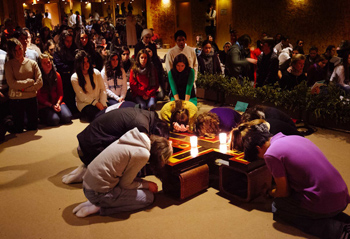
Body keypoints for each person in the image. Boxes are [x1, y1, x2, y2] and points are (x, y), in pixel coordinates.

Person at [239, 120, 350, 239]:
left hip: (322, 200)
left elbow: (283, 192)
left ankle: (339, 231)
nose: (262, 159)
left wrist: (271, 192)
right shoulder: (295, 138)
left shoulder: (271, 154)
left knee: (277, 207)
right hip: (342, 195)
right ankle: (344, 220)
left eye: (258, 157)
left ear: (258, 148)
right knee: (302, 204)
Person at [72, 127, 173, 217]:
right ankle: (100, 207)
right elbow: (125, 184)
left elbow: (125, 175)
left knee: (138, 186)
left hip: (88, 184)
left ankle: (95, 202)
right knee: (148, 198)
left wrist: (144, 183)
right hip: (97, 192)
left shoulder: (139, 138)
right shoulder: (143, 154)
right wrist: (147, 185)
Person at [61, 107, 169, 184]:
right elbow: (137, 158)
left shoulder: (145, 115)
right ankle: (90, 170)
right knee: (136, 162)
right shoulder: (141, 127)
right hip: (90, 151)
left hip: (85, 145)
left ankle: (89, 167)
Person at [5, 38, 43, 133]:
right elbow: (12, 84)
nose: (18, 52)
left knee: (33, 127)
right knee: (18, 129)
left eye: (20, 49)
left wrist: (23, 89)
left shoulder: (32, 63)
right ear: (12, 52)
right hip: (16, 99)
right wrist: (29, 81)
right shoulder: (9, 65)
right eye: (15, 50)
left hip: (31, 98)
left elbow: (39, 82)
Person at [71, 50, 107, 122]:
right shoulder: (75, 77)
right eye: (83, 62)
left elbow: (103, 89)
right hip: (85, 104)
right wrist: (96, 103)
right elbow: (82, 96)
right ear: (79, 64)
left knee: (108, 112)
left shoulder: (96, 73)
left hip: (98, 101)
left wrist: (103, 103)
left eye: (87, 61)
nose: (86, 64)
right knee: (98, 117)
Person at [37, 53, 72, 126]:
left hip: (56, 103)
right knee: (54, 120)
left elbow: (60, 93)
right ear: (40, 65)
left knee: (67, 117)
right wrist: (51, 105)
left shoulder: (57, 75)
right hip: (45, 105)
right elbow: (39, 97)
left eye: (49, 62)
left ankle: (57, 113)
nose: (48, 64)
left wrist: (58, 104)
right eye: (45, 63)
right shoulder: (38, 77)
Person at [53, 30, 78, 115]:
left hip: (73, 76)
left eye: (70, 41)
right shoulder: (57, 50)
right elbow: (60, 65)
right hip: (63, 78)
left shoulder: (73, 49)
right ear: (63, 40)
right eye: (67, 41)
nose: (69, 43)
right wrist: (71, 67)